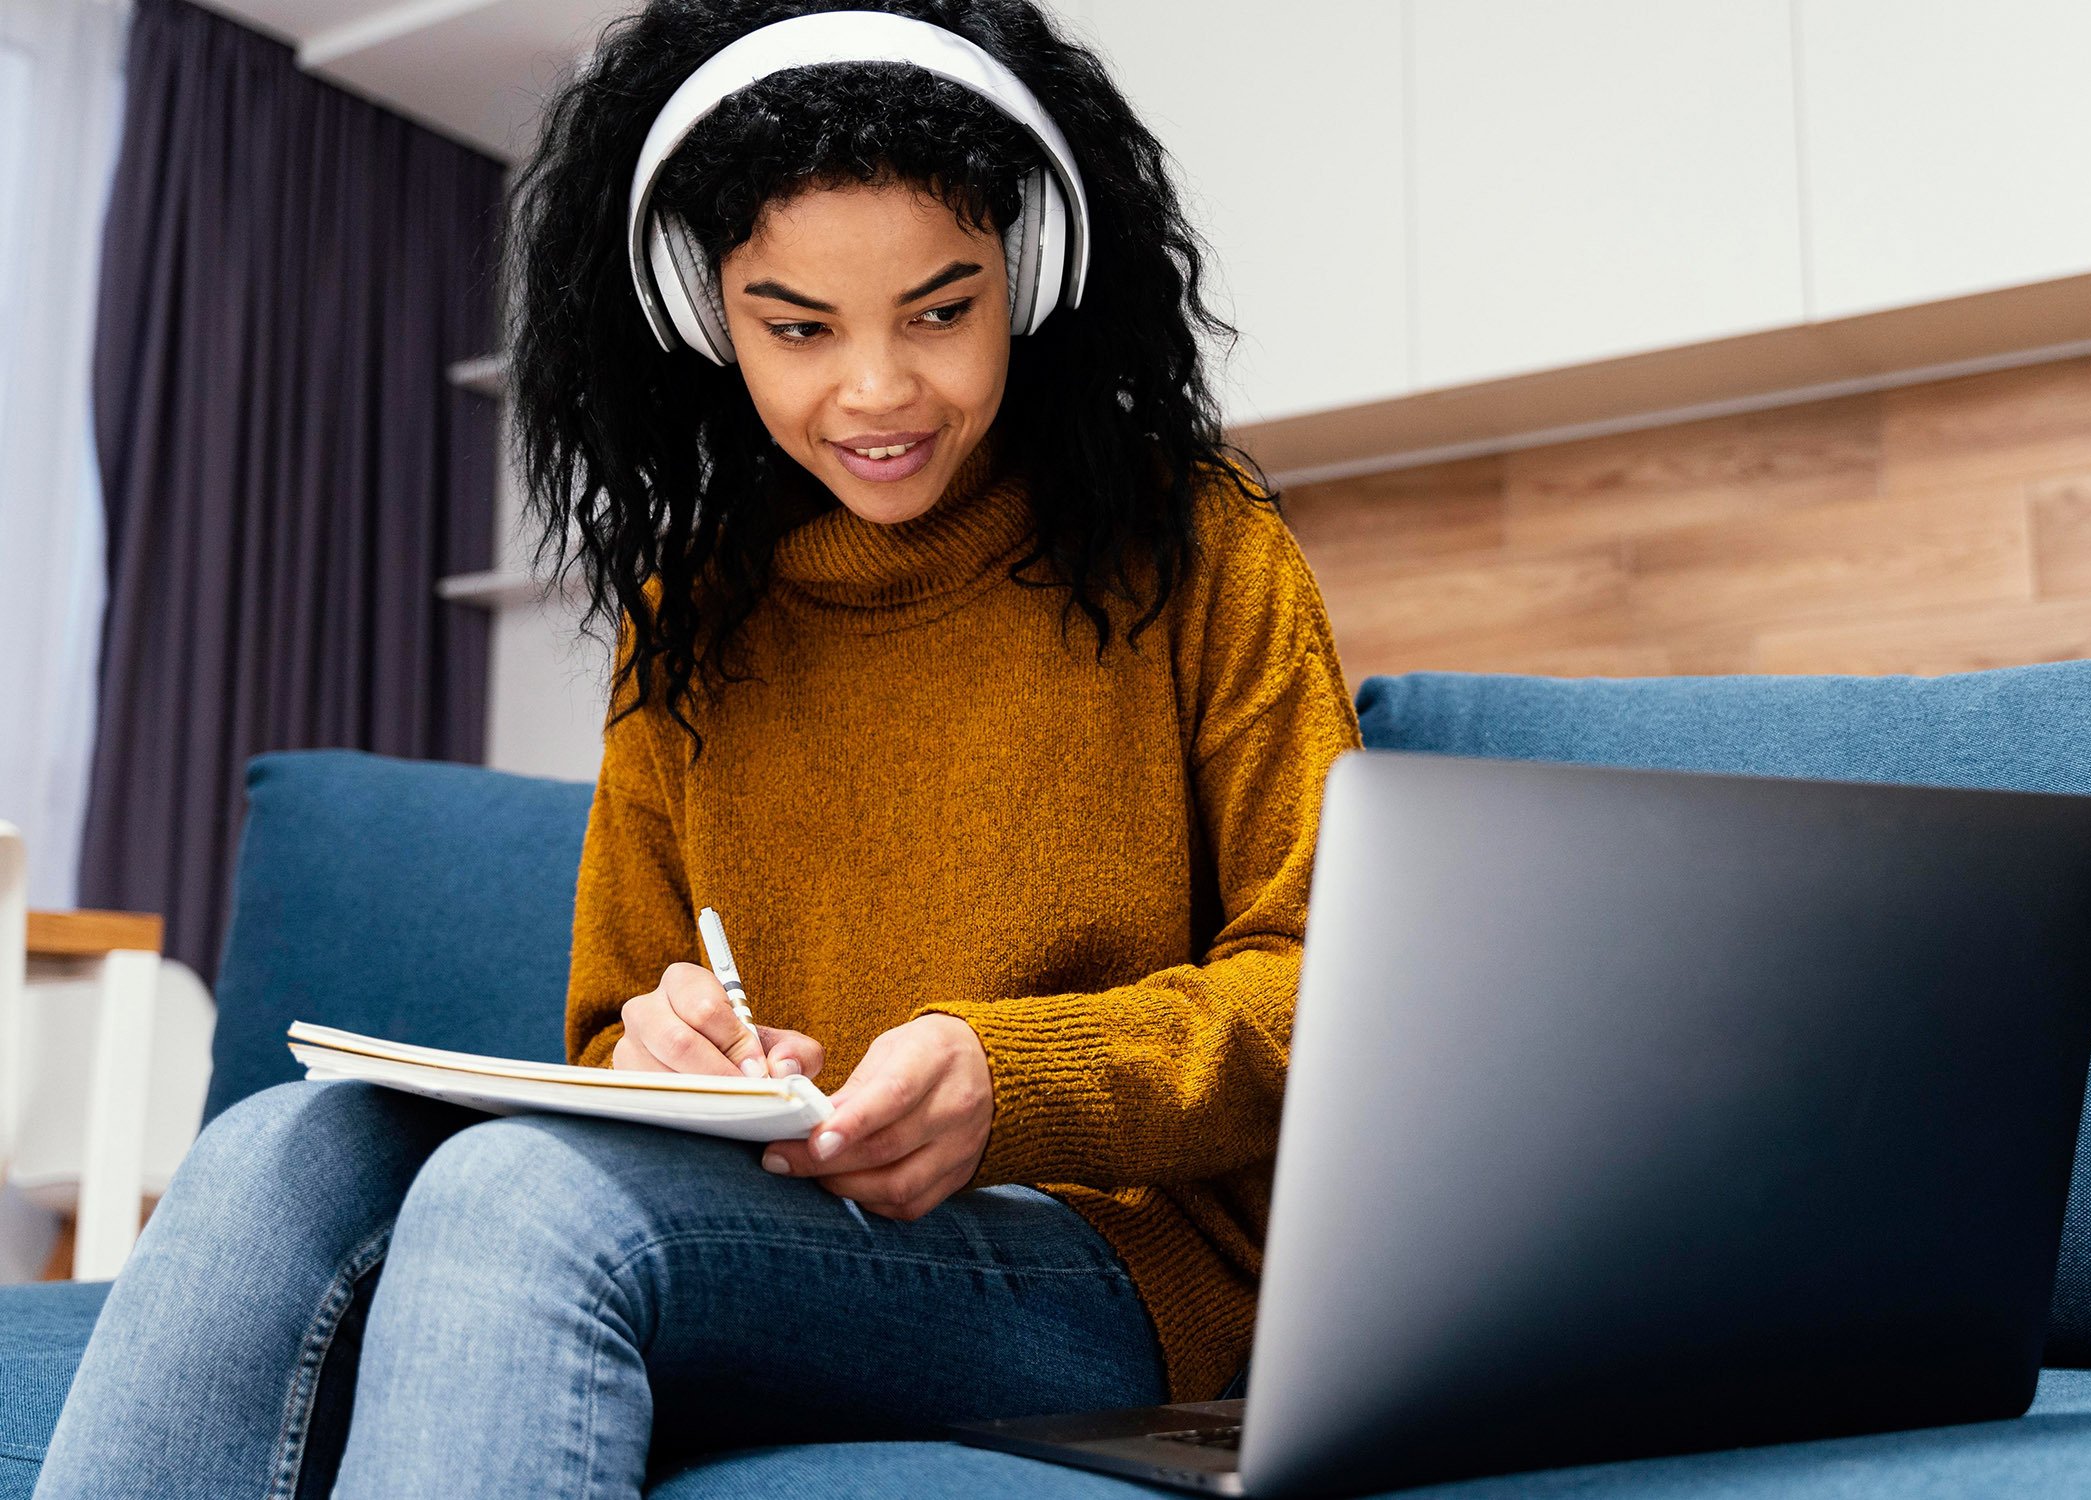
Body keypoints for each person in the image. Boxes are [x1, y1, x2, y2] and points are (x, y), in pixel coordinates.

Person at [32, 2, 1361, 1495]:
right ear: (701, 314)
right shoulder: (694, 617)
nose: (874, 391)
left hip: (1107, 1262)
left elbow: (1335, 987)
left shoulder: (1201, 547)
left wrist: (1012, 1079)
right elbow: (608, 1024)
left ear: (1031, 277)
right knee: (280, 1150)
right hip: (774, 1224)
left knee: (519, 1202)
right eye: (797, 327)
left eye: (941, 309)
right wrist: (667, 1045)